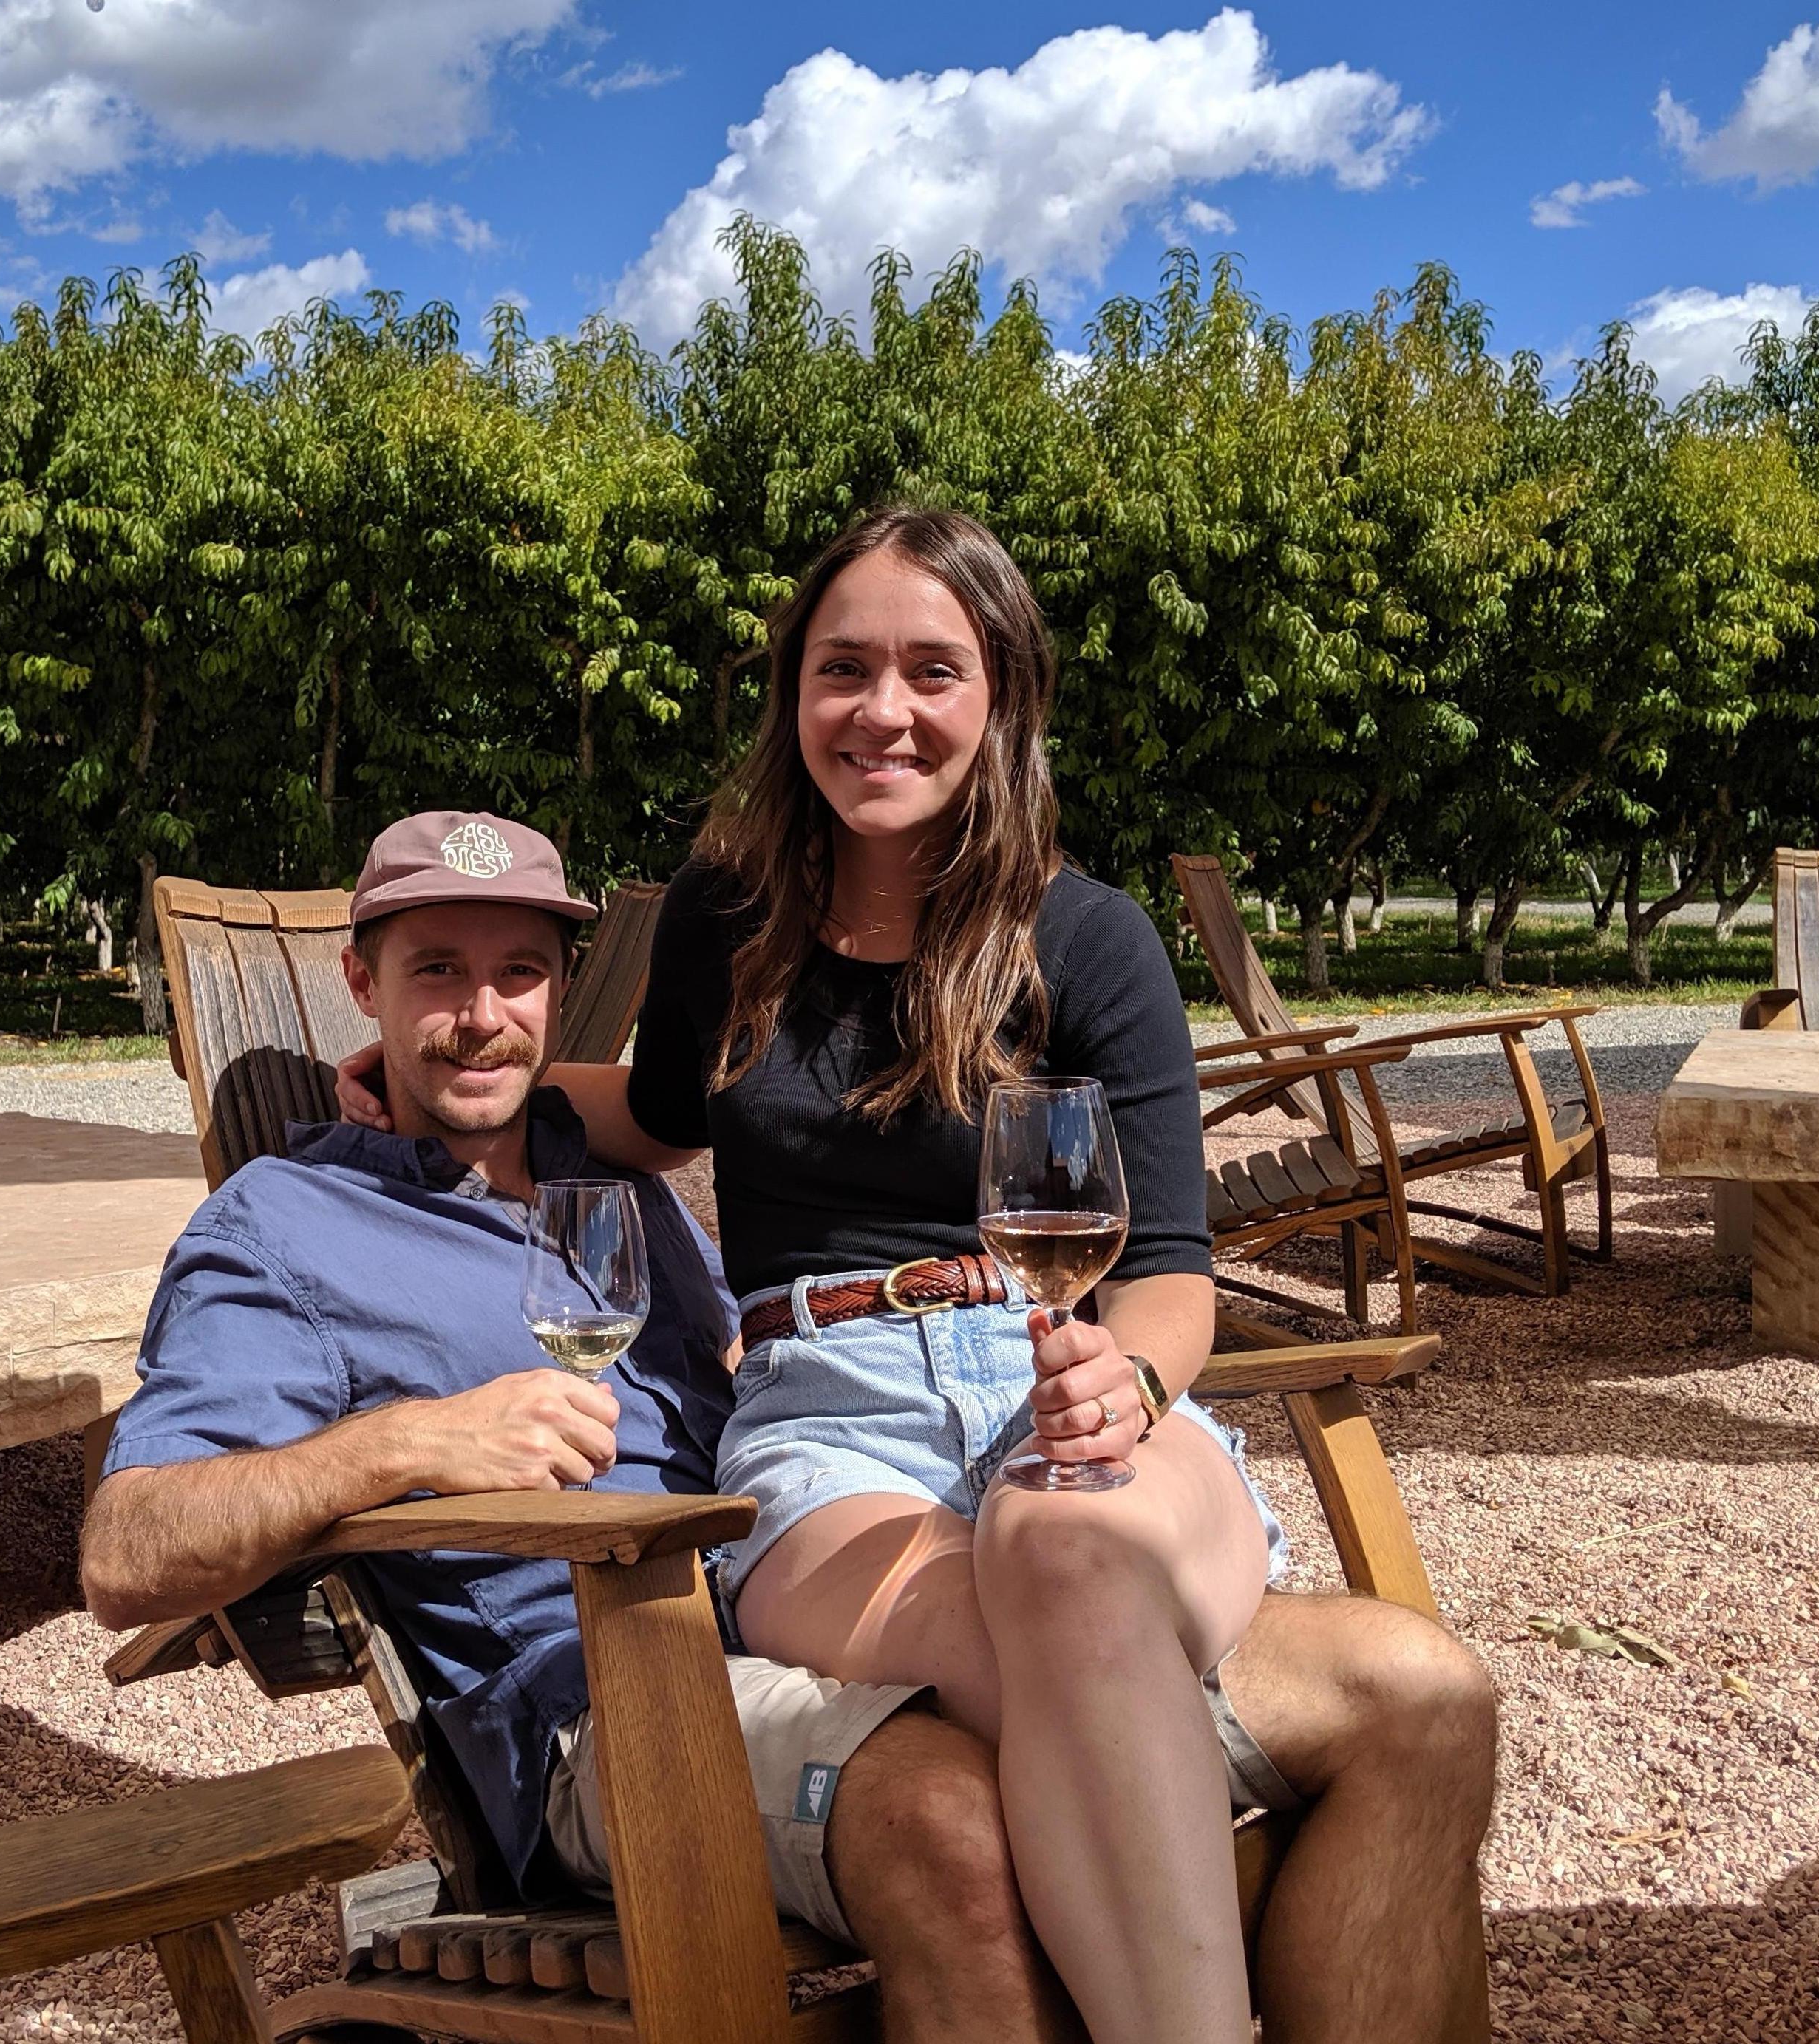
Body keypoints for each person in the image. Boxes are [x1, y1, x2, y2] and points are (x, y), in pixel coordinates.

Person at [336, 510, 1498, 2041]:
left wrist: (1134, 1381)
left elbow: (1166, 1272)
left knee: (1074, 1548)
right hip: (828, 1424)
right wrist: (469, 1075)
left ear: (1003, 695)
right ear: (792, 696)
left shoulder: (1088, 940)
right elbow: (663, 1114)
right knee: (1197, 1649)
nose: (882, 710)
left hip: (1059, 1373)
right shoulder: (725, 922)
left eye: (933, 670)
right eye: (843, 669)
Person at [80, 811, 1086, 2044]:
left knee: (1283, 1700)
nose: (480, 1014)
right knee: (947, 1821)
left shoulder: (609, 1188)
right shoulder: (282, 1226)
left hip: (806, 1606)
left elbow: (743, 1375)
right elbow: (125, 1552)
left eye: (518, 972)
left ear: (559, 992)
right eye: (436, 969)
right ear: (363, 984)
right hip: (603, 1705)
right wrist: (407, 1442)